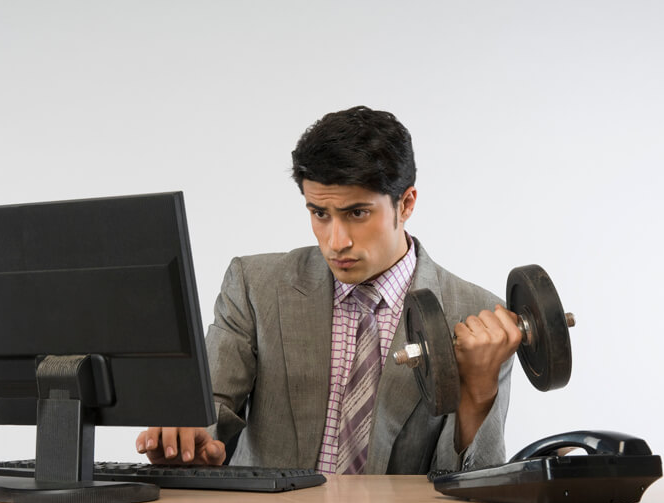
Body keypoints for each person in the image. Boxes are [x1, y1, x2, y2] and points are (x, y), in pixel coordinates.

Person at [136, 106, 520, 474]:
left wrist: (479, 393)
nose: (336, 242)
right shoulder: (255, 286)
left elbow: (472, 486)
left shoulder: (481, 318)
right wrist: (192, 436)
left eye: (357, 213)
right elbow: (211, 405)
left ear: (406, 204)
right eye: (320, 213)